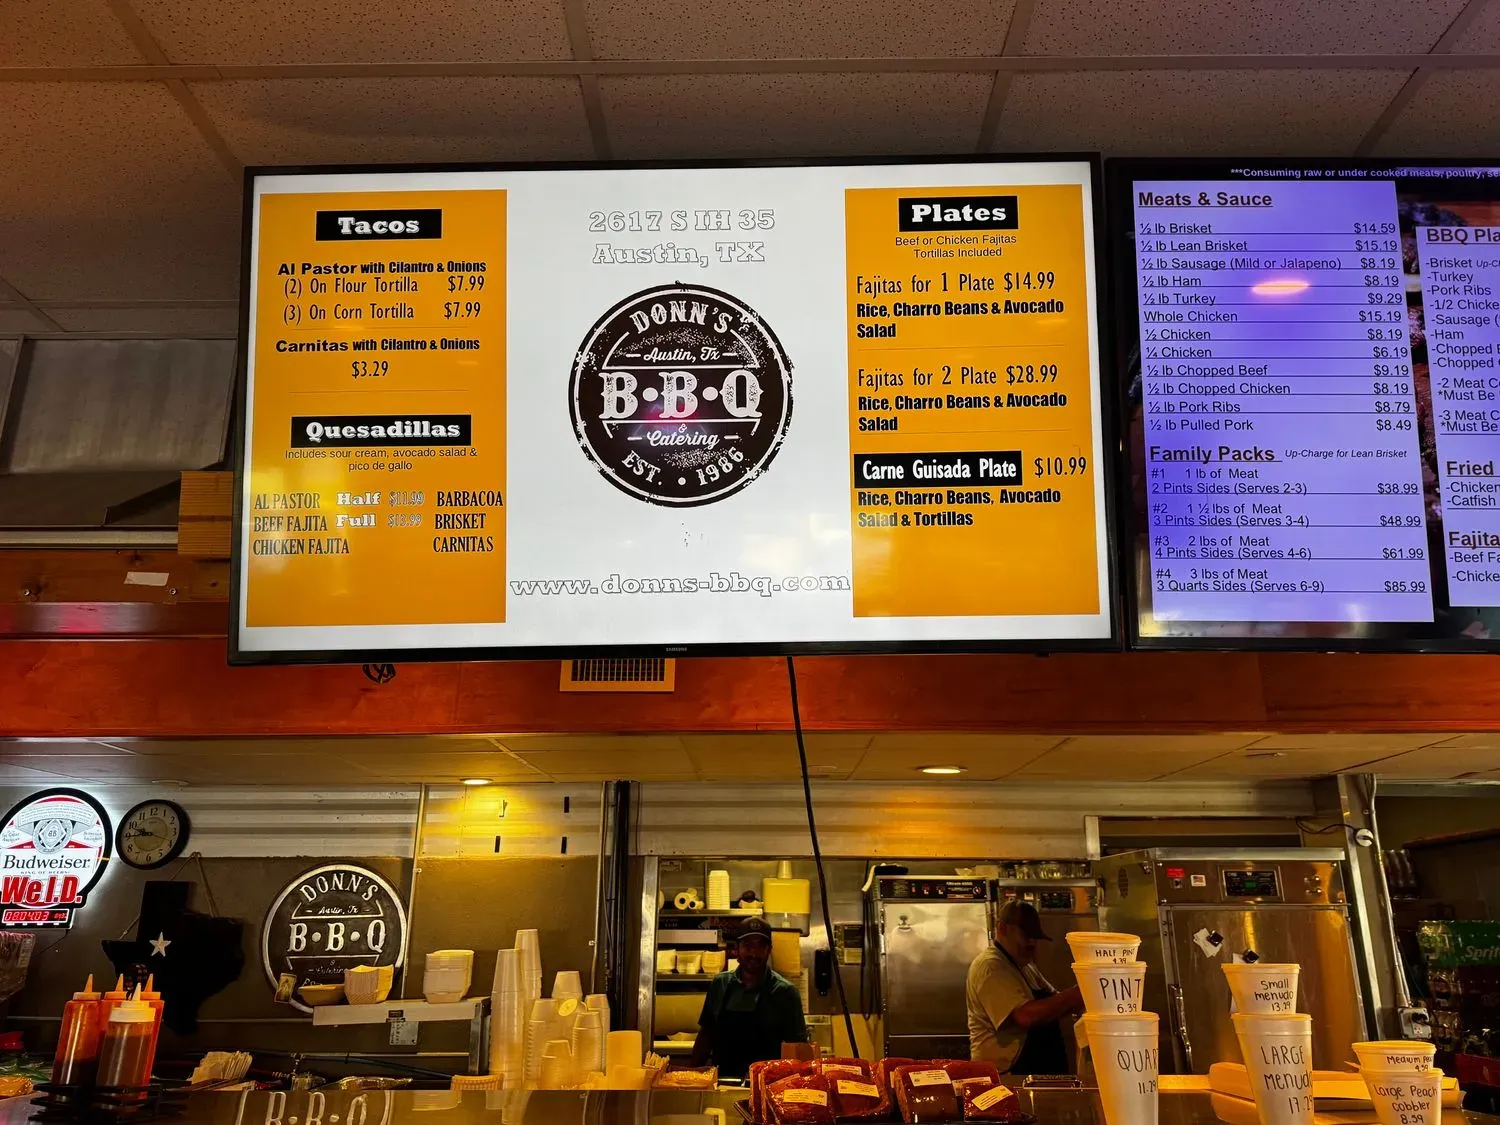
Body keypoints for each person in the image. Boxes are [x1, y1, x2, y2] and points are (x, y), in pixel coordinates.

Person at [966, 899, 1084, 1075]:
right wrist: (1078, 993)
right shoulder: (990, 966)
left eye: (1035, 937)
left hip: (1035, 1070)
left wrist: (1086, 993)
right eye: (1026, 936)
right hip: (1006, 1075)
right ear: (1002, 929)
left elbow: (1057, 1002)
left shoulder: (1025, 966)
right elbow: (1024, 1016)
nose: (1032, 943)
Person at [689, 918, 807, 1077]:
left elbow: (798, 1050)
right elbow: (706, 1036)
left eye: (760, 946)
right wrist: (692, 1075)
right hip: (723, 1082)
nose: (754, 953)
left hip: (768, 1084)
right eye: (747, 946)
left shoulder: (786, 992)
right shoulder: (720, 984)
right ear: (736, 949)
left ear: (769, 950)